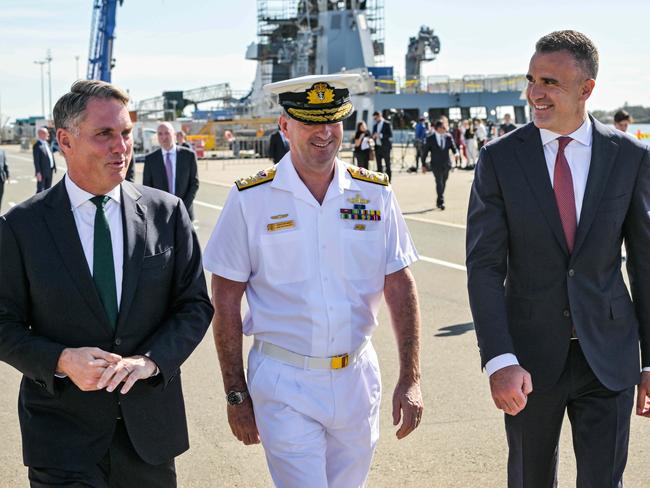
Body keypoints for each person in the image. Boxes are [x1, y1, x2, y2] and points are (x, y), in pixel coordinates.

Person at [204, 73, 423, 488]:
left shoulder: (374, 194)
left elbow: (399, 283)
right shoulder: (251, 199)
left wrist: (410, 378)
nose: (324, 133)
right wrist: (235, 393)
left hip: (357, 375)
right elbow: (226, 297)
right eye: (309, 121)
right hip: (285, 381)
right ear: (284, 126)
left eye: (334, 120)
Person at [0, 80, 213, 487]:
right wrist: (61, 360)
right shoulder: (20, 227)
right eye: (105, 135)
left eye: (126, 133)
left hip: (148, 436)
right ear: (65, 140)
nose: (122, 147)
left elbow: (194, 306)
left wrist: (150, 361)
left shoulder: (167, 214)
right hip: (61, 439)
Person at [466, 30, 650, 487]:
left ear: (587, 89)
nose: (535, 93)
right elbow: (485, 267)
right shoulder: (500, 158)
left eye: (550, 82)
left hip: (607, 357)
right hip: (528, 360)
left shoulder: (630, 157)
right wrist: (499, 359)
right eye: (531, 79)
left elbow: (645, 263)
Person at [143, 122, 199, 220]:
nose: (164, 137)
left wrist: (182, 206)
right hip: (161, 215)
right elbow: (147, 188)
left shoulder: (188, 156)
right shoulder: (150, 160)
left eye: (167, 133)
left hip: (185, 213)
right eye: (160, 134)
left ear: (174, 134)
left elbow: (194, 183)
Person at [423, 119, 458, 211]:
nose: (445, 129)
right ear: (438, 128)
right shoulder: (430, 138)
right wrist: (423, 164)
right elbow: (425, 152)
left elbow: (454, 147)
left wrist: (456, 153)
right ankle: (441, 201)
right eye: (443, 127)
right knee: (439, 182)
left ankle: (439, 198)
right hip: (435, 165)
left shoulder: (448, 137)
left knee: (444, 181)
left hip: (446, 164)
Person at [33, 126, 57, 193]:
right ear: (41, 134)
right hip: (42, 171)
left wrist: (54, 166)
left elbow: (50, 155)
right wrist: (38, 172)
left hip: (50, 169)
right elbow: (36, 161)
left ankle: (46, 203)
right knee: (40, 189)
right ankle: (37, 203)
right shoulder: (37, 146)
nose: (48, 135)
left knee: (48, 188)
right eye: (47, 133)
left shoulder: (47, 143)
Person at [372, 110, 393, 180]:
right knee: (379, 165)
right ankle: (379, 181)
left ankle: (389, 181)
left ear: (379, 116)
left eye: (375, 118)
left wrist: (380, 135)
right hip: (377, 147)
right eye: (374, 119)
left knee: (387, 164)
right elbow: (373, 134)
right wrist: (373, 136)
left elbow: (390, 134)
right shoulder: (375, 125)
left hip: (386, 147)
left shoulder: (387, 123)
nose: (375, 120)